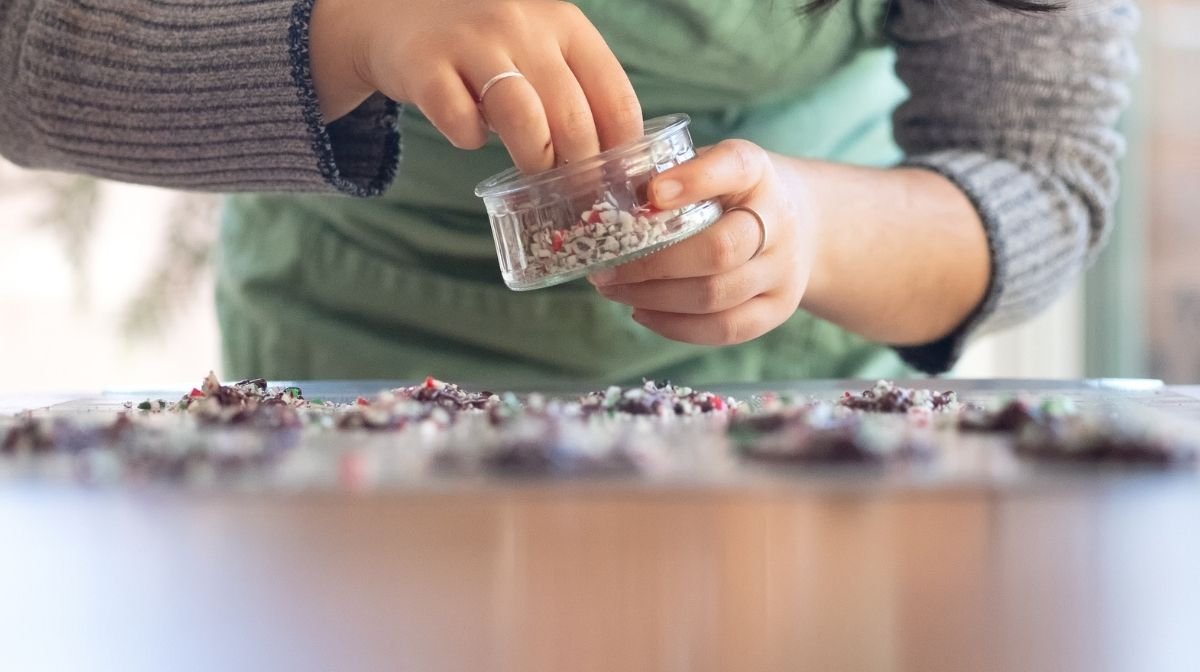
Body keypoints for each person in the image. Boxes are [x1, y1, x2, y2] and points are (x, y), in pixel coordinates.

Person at [0, 0, 1136, 385]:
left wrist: (805, 231)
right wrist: (343, 33)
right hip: (344, 391)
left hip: (785, 415)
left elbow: (1042, 174)